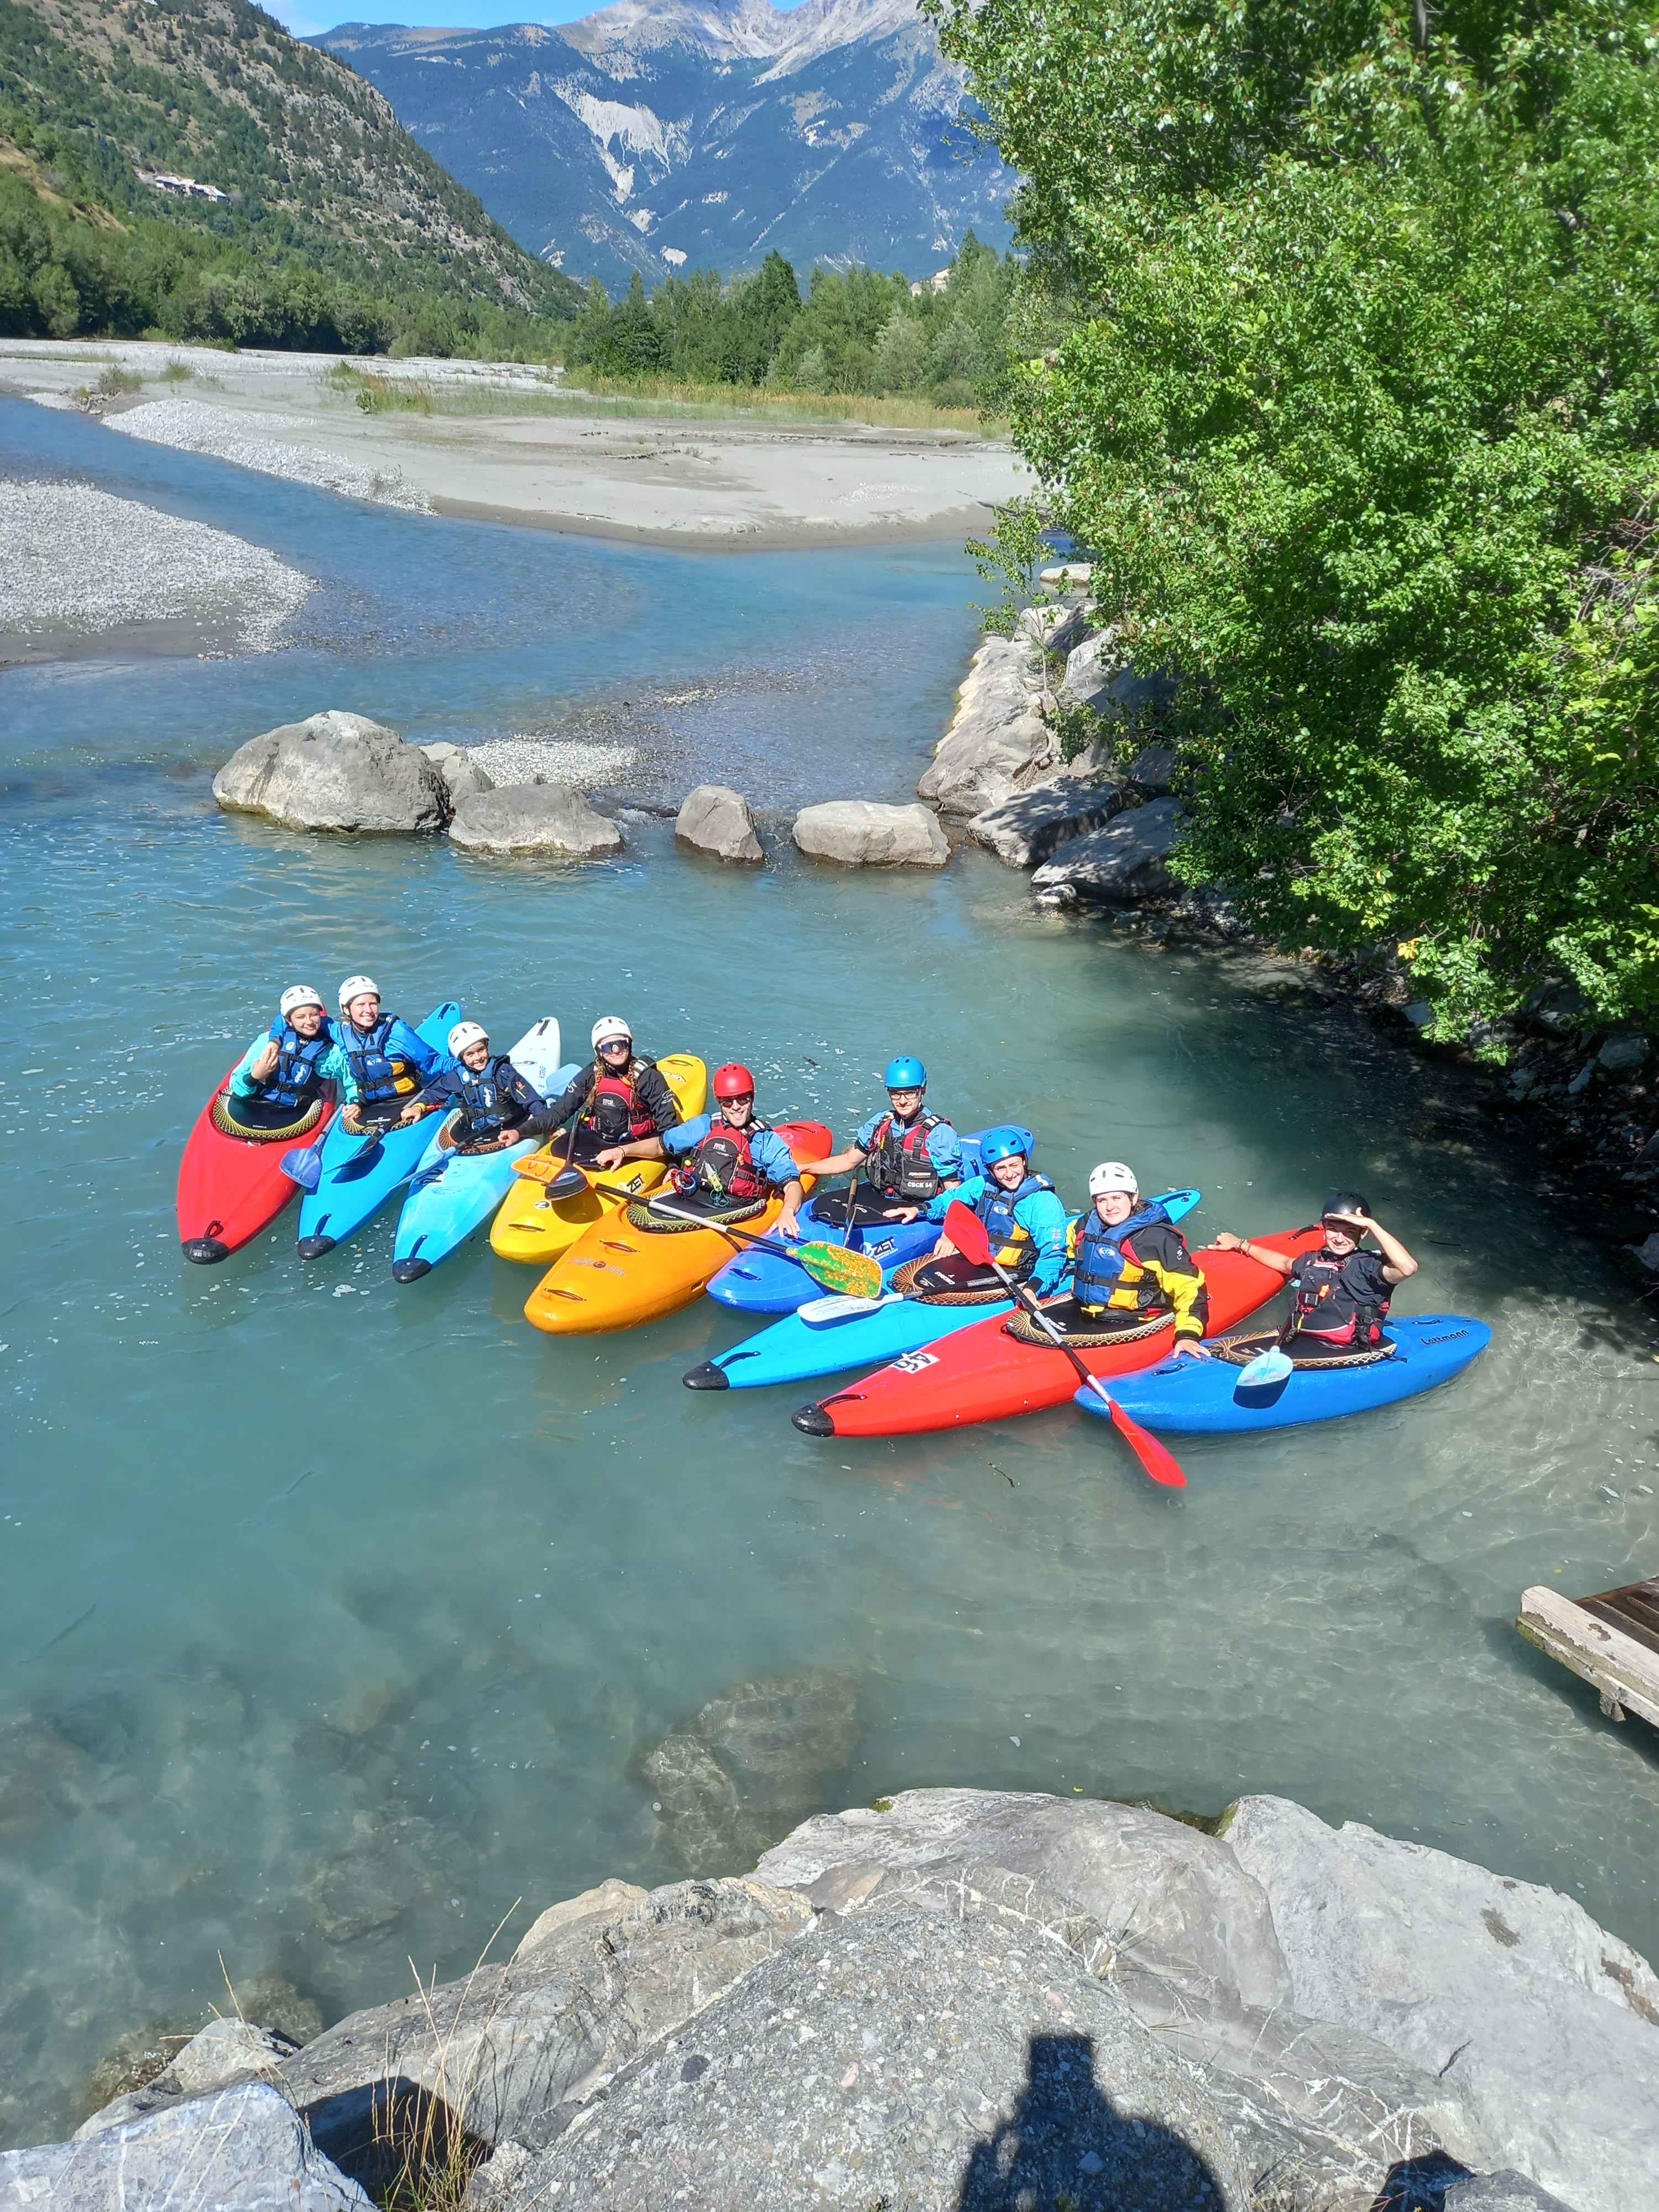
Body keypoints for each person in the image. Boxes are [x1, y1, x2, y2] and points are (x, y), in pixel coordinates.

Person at [1213, 1192, 1417, 1354]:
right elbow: (1284, 1263)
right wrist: (1239, 1244)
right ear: (1324, 1228)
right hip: (1301, 1339)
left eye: (1349, 1232)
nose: (1339, 1239)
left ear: (1363, 1233)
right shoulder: (1313, 1260)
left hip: (1347, 1350)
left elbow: (1408, 1268)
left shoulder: (1369, 1266)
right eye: (1333, 1229)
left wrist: (1372, 1224)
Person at [605, 1062, 805, 1222]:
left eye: (742, 1099)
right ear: (720, 1102)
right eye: (728, 1101)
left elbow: (791, 1184)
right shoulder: (704, 1126)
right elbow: (660, 1145)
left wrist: (788, 1211)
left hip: (733, 1211)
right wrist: (622, 1151)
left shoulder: (765, 1140)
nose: (736, 1107)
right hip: (690, 1199)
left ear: (751, 1098)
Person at [889, 1125, 1069, 1295]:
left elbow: (1053, 1253)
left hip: (1019, 1272)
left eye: (1014, 1165)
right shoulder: (984, 1185)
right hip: (978, 1258)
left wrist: (1033, 1288)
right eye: (1000, 1168)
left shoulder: (1043, 1202)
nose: (1009, 1174)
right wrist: (920, 1209)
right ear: (990, 1170)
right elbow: (951, 1200)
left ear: (1024, 1161)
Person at [789, 1056, 961, 1232]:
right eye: (895, 1093)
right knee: (822, 1209)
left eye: (910, 1093)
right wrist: (804, 1168)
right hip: (879, 1195)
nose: (902, 1101)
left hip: (919, 1205)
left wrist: (924, 1212)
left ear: (923, 1089)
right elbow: (848, 1161)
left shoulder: (940, 1134)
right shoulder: (880, 1123)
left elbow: (954, 1195)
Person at [1056, 1161, 1209, 1354]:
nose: (1110, 1207)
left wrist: (1188, 1335)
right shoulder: (1083, 1226)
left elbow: (1189, 1287)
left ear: (1134, 1197)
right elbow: (1062, 1254)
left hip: (1133, 1320)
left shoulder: (1155, 1238)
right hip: (1084, 1310)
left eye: (1117, 1198)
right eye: (1102, 1200)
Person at [540, 1015, 684, 1169]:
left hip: (636, 1143)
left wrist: (673, 1167)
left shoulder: (648, 1077)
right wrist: (522, 1131)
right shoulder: (592, 1074)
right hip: (599, 1139)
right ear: (599, 1051)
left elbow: (669, 1129)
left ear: (629, 1044)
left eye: (621, 1044)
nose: (616, 1050)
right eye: (608, 1047)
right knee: (559, 1147)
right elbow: (558, 1112)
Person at [397, 1021, 555, 1152]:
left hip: (512, 1127)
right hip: (479, 1132)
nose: (478, 1058)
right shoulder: (457, 1077)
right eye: (470, 1054)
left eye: (481, 1050)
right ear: (461, 1058)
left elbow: (532, 1101)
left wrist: (550, 1126)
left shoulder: (503, 1073)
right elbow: (435, 1093)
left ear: (487, 1047)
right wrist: (418, 1106)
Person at [221, 984, 347, 1133]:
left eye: (314, 1015)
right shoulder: (266, 1042)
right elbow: (238, 1088)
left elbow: (351, 1079)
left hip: (296, 1111)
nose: (309, 1021)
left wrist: (354, 1102)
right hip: (253, 1102)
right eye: (300, 1017)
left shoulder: (330, 1053)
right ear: (288, 1020)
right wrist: (255, 1076)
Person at [333, 976, 444, 1134]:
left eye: (373, 1004)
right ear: (346, 1009)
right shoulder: (340, 1034)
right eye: (361, 1005)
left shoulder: (397, 1032)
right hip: (369, 1104)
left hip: (407, 1099)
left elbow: (434, 1062)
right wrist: (355, 1102)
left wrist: (469, 1071)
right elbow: (308, 1023)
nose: (369, 1010)